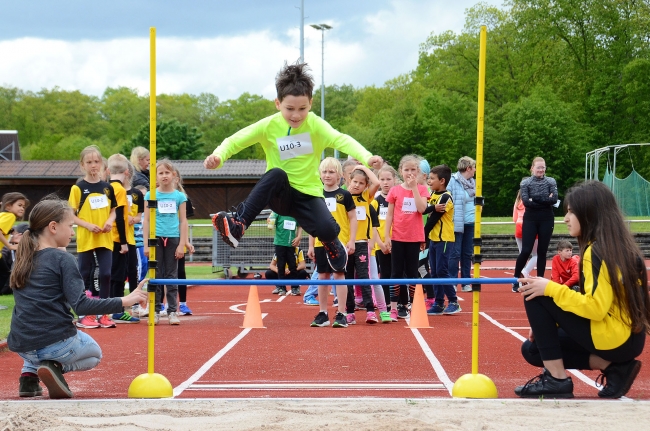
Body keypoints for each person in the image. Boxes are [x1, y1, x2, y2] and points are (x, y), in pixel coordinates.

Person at [204, 63, 383, 276]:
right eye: (290, 109)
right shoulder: (268, 126)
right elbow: (235, 140)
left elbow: (340, 139)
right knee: (276, 174)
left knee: (328, 230)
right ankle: (239, 224)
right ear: (278, 103)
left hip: (308, 195)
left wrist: (366, 156)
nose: (296, 115)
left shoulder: (316, 125)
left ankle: (332, 244)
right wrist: (219, 156)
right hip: (282, 194)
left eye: (302, 109)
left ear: (311, 104)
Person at [515, 181, 649, 399]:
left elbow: (596, 308)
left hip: (613, 338)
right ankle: (615, 368)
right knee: (532, 349)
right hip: (629, 338)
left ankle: (556, 380)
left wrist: (551, 289)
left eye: (571, 212)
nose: (566, 218)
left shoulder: (595, 252)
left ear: (589, 214)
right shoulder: (620, 247)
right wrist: (550, 322)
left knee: (534, 292)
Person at [7, 197, 147, 399]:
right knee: (94, 354)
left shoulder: (23, 257)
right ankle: (53, 368)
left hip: (21, 344)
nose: (73, 232)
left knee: (40, 338)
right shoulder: (63, 259)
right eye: (71, 226)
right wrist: (124, 301)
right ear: (53, 227)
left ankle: (28, 376)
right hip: (55, 344)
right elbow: (81, 306)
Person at [68, 145, 117, 329]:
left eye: (96, 162)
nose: (93, 165)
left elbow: (113, 212)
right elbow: (71, 215)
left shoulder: (107, 187)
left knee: (105, 274)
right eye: (89, 162)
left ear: (102, 164)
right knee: (84, 274)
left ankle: (104, 313)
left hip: (105, 238)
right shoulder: (78, 188)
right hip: (86, 238)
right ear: (82, 165)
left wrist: (110, 222)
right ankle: (84, 314)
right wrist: (87, 225)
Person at [307, 157, 355, 328]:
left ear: (339, 175)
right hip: (320, 243)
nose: (327, 175)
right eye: (324, 172)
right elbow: (311, 221)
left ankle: (342, 313)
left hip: (339, 243)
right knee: (322, 276)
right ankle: (323, 313)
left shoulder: (345, 195)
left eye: (331, 172)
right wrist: (311, 244)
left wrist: (351, 240)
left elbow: (353, 217)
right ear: (319, 175)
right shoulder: (315, 194)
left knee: (339, 275)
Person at [384, 155, 430, 321]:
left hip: (414, 237)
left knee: (412, 273)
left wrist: (414, 189)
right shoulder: (395, 190)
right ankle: (394, 307)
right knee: (395, 272)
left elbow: (422, 208)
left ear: (418, 171)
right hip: (397, 236)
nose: (410, 173)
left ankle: (411, 305)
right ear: (400, 171)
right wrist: (386, 235)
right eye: (406, 169)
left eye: (413, 170)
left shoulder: (422, 189)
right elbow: (389, 215)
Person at [143, 159, 188, 326]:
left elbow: (183, 221)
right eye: (160, 173)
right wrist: (147, 244)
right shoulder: (151, 195)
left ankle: (172, 311)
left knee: (171, 275)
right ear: (156, 177)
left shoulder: (179, 197)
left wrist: (182, 244)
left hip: (173, 238)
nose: (164, 176)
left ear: (173, 175)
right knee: (156, 275)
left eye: (167, 173)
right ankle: (154, 310)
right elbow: (146, 220)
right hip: (156, 238)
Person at [345, 164, 386, 324]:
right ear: (349, 180)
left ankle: (370, 311)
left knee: (364, 277)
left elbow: (376, 183)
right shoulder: (343, 197)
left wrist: (362, 166)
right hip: (346, 244)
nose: (357, 185)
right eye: (354, 181)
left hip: (362, 243)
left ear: (365, 186)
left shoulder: (365, 197)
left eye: (361, 183)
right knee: (347, 278)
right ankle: (349, 312)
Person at [513, 157, 558, 293]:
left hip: (547, 218)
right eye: (538, 167)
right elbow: (526, 202)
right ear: (532, 168)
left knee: (542, 251)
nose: (541, 170)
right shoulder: (525, 183)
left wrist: (536, 199)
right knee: (526, 250)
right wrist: (545, 200)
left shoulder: (551, 181)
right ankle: (515, 279)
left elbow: (554, 199)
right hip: (530, 219)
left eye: (543, 167)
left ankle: (540, 281)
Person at [423, 164, 460, 315]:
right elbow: (425, 211)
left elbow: (433, 220)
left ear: (442, 181)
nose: (429, 181)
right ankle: (438, 303)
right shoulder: (432, 194)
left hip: (444, 239)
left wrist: (421, 236)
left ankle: (453, 301)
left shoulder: (446, 197)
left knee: (441, 270)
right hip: (434, 239)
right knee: (434, 272)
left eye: (432, 178)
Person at [107, 154, 140, 324]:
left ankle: (111, 309)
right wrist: (123, 242)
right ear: (127, 172)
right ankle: (117, 311)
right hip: (118, 237)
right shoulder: (119, 190)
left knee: (112, 274)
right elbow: (119, 217)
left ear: (107, 170)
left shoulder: (105, 188)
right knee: (119, 275)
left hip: (107, 237)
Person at [446, 156, 476, 293]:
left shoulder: (474, 182)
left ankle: (466, 282)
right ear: (468, 168)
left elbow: (477, 200)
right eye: (474, 167)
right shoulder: (453, 181)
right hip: (457, 222)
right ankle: (452, 282)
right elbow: (448, 199)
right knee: (455, 253)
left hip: (470, 222)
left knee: (467, 253)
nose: (475, 170)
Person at [125, 164, 146, 317]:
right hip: (134, 242)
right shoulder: (133, 208)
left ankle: (136, 300)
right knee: (137, 271)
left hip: (140, 242)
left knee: (141, 269)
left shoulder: (146, 211)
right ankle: (132, 302)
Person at [268, 211, 303, 296]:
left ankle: (295, 287)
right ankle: (282, 287)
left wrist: (298, 237)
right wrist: (270, 221)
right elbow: (271, 222)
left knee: (292, 265)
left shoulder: (294, 212)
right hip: (280, 243)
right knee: (281, 266)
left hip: (291, 243)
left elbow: (300, 225)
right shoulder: (277, 212)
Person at [0, 193, 29, 294]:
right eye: (19, 205)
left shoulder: (3, 215)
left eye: (24, 207)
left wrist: (10, 236)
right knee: (4, 274)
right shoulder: (10, 216)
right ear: (8, 206)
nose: (22, 208)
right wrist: (9, 246)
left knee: (4, 273)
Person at [513, 188, 537, 278]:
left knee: (522, 255)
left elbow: (514, 219)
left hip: (519, 226)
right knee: (536, 254)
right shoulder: (533, 200)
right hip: (531, 226)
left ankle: (518, 278)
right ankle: (524, 272)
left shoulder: (518, 201)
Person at [0, 223, 29, 295]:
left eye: (13, 233)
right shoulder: (5, 250)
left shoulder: (31, 250)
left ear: (21, 235)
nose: (9, 236)